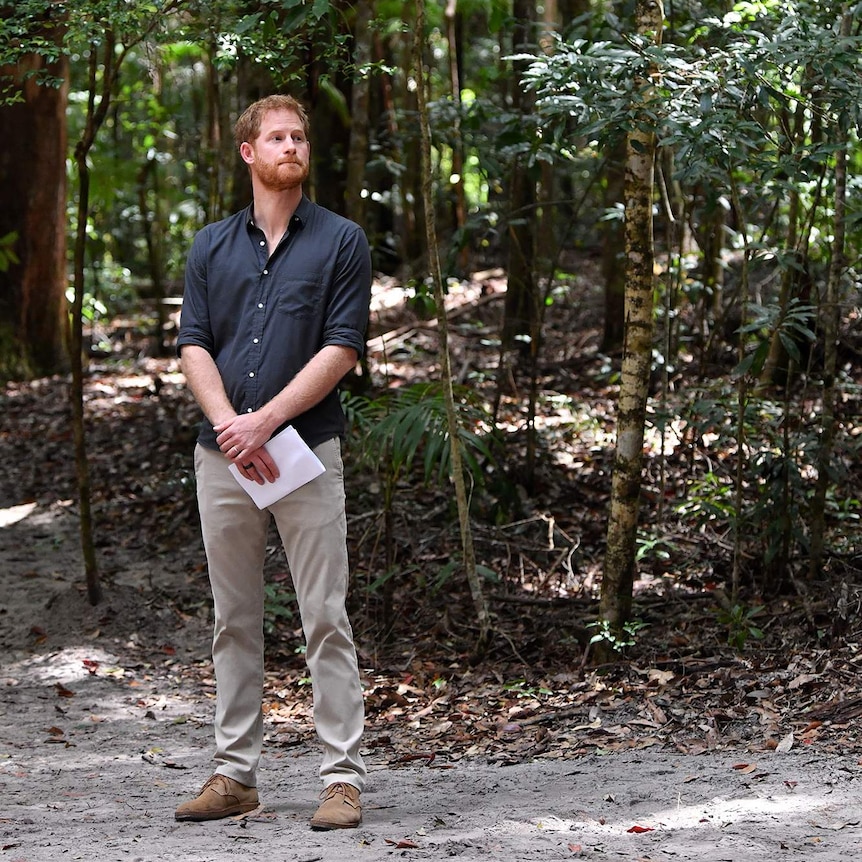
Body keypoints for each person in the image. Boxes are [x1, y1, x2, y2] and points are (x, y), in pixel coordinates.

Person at [174, 94, 370, 830]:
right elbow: (194, 343)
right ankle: (234, 776)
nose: (291, 145)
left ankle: (342, 779)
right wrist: (230, 425)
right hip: (223, 457)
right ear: (248, 153)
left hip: (305, 452)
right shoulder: (209, 247)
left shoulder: (342, 241)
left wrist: (266, 421)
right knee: (234, 618)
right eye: (276, 137)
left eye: (299, 136)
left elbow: (342, 346)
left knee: (324, 614)